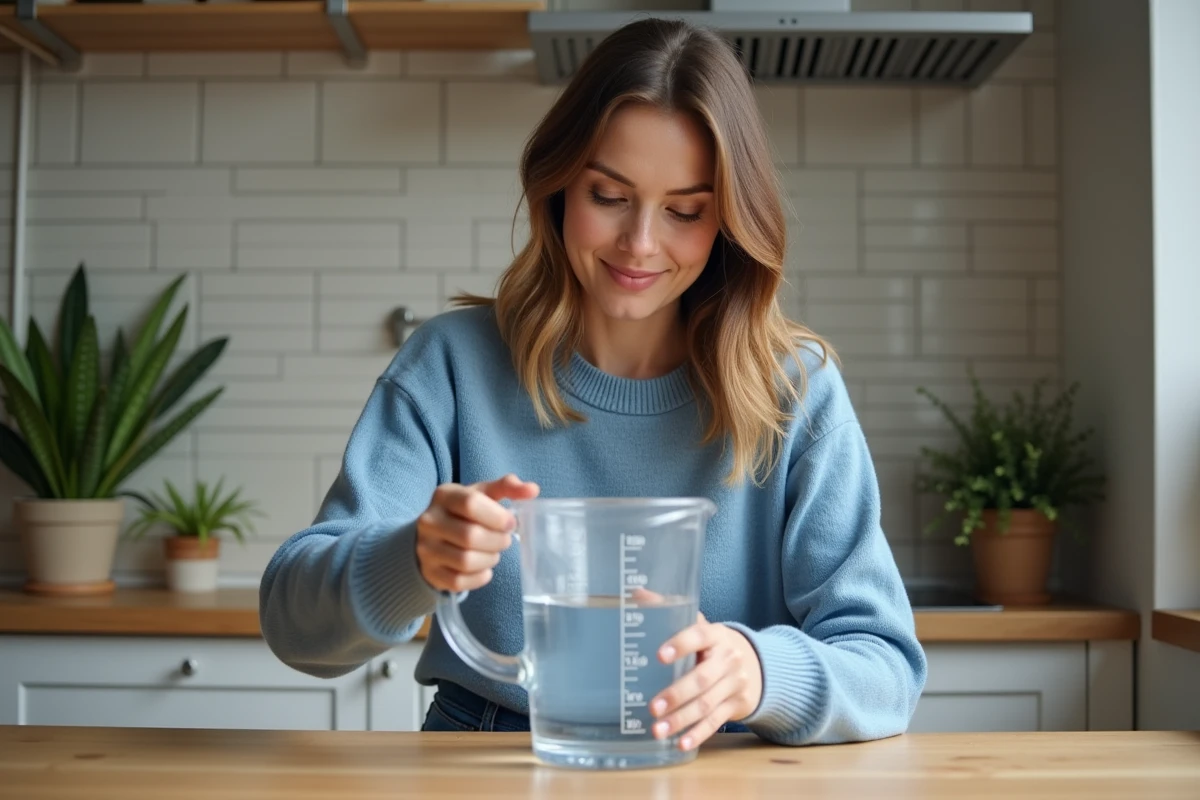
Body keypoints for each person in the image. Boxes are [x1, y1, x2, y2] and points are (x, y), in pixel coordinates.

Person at [259, 17, 926, 749]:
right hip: (484, 749)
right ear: (558, 185)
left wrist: (760, 672)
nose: (641, 243)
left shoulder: (797, 392)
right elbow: (294, 628)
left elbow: (887, 667)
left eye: (684, 211)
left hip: (723, 758)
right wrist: (411, 557)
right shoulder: (450, 367)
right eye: (609, 196)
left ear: (729, 220)